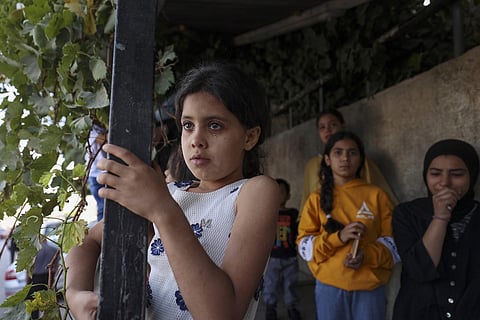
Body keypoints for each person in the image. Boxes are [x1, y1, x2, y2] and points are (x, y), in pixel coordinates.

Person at [65, 61, 279, 320]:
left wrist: (162, 210)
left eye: (214, 126)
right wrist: (75, 294)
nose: (196, 140)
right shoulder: (171, 192)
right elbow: (87, 240)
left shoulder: (255, 192)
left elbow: (222, 315)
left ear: (250, 137)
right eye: (188, 125)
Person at [297, 131, 399, 320]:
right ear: (327, 159)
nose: (345, 158)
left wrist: (366, 255)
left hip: (370, 287)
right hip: (328, 285)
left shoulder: (377, 195)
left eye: (352, 153)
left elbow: (394, 243)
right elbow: (305, 247)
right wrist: (338, 238)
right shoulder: (316, 199)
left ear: (361, 159)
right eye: (338, 152)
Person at [392, 138, 480, 319]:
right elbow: (420, 269)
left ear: (472, 175)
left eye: (456, 174)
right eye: (435, 173)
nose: (445, 182)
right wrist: (441, 216)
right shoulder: (407, 214)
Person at [300, 108, 398, 213]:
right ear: (328, 161)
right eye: (322, 127)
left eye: (332, 125)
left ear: (343, 125)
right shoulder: (312, 167)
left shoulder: (363, 163)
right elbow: (306, 207)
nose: (327, 130)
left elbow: (381, 200)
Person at [263, 178, 301, 320]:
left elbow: (298, 232)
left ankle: (292, 307)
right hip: (272, 257)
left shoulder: (293, 213)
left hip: (290, 256)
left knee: (290, 284)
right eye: (275, 192)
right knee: (270, 284)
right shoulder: (266, 213)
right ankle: (270, 308)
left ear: (288, 195)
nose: (278, 195)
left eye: (282, 192)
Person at [85, 121, 108, 221]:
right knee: (103, 206)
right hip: (96, 176)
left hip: (103, 172)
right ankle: (103, 235)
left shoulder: (102, 128)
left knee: (105, 206)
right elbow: (104, 140)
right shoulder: (92, 129)